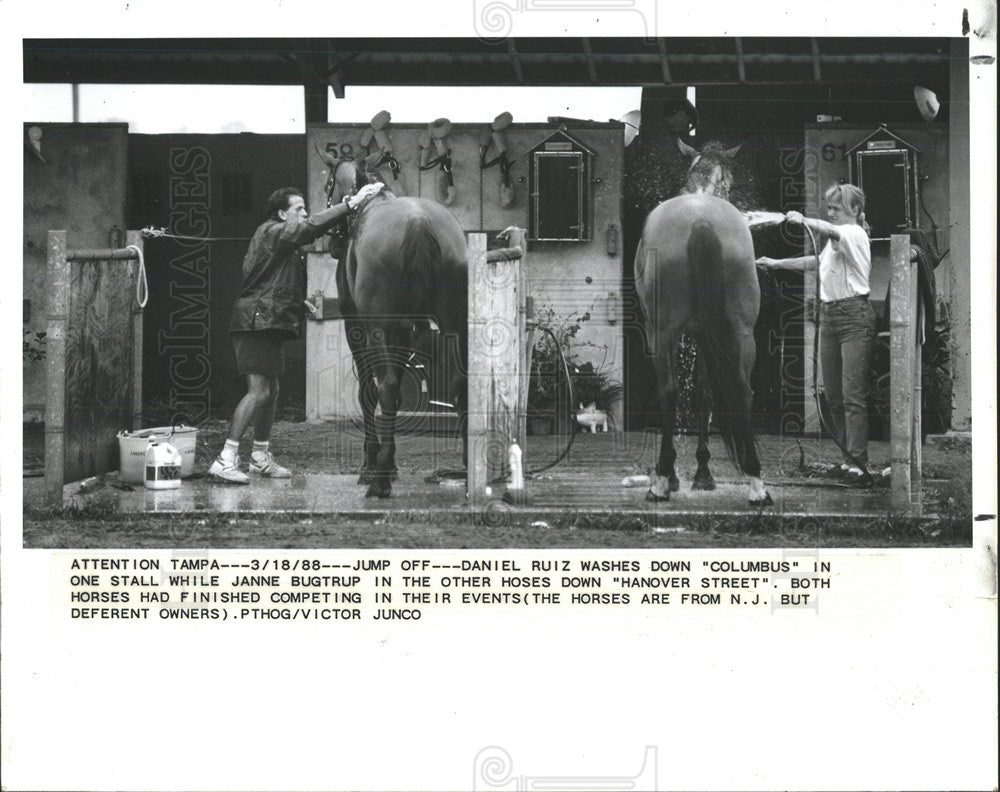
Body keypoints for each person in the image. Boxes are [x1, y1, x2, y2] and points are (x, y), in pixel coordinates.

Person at [209, 181, 385, 483]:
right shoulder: (272, 231)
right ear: (281, 214)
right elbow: (310, 228)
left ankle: (260, 457)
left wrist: (293, 302)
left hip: (267, 320)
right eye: (298, 209)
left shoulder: (280, 241)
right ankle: (225, 458)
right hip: (257, 322)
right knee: (258, 391)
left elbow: (266, 280)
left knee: (271, 391)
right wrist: (351, 203)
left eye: (305, 208)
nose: (305, 213)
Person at [756, 184, 875, 486]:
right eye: (829, 207)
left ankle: (859, 463)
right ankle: (848, 460)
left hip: (854, 316)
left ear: (856, 211)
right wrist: (777, 263)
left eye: (837, 207)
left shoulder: (854, 233)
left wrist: (804, 220)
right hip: (831, 316)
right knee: (833, 395)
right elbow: (817, 263)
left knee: (852, 395)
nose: (831, 212)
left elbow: (827, 229)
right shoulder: (835, 239)